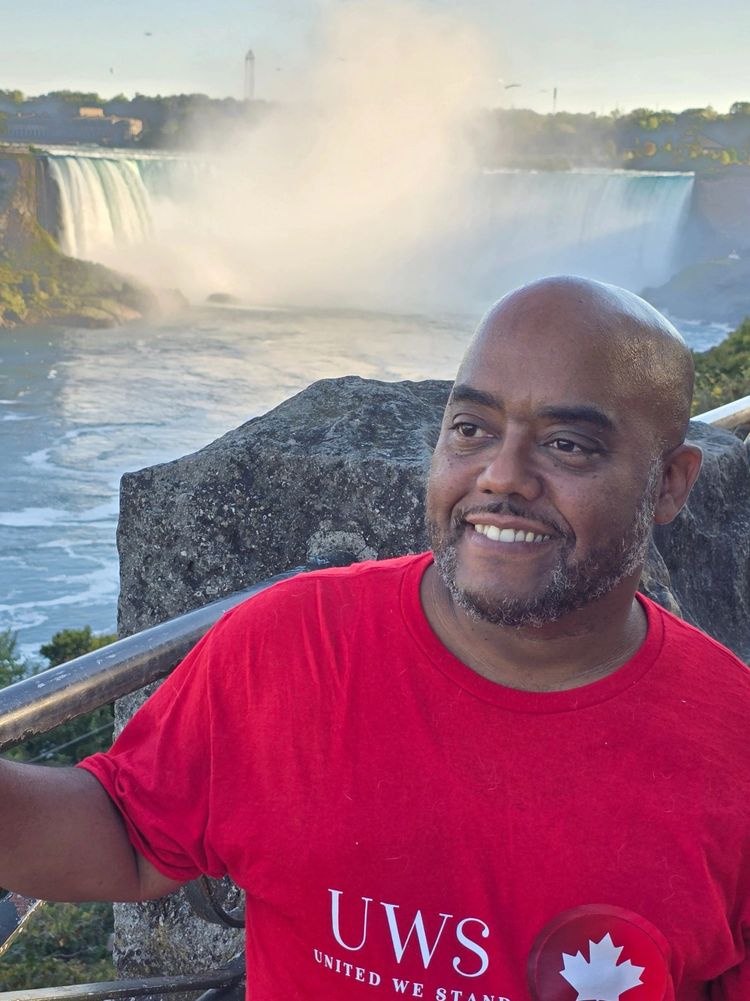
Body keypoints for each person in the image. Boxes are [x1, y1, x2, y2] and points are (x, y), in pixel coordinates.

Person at [1, 275, 748, 1001]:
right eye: (472, 429)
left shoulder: (731, 745)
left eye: (570, 444)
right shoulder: (289, 646)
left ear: (672, 482)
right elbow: (128, 834)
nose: (503, 475)